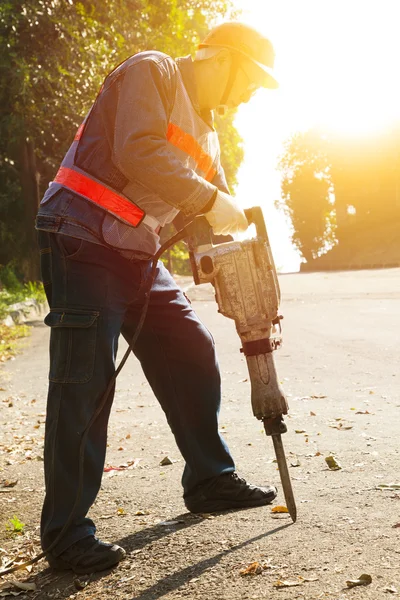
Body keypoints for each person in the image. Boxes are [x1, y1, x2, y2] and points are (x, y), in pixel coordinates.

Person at [35, 21, 280, 574]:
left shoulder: (210, 135)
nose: (249, 95)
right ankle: (66, 533)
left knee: (190, 347)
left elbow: (197, 222)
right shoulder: (155, 70)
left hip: (134, 253)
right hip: (80, 235)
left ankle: (210, 479)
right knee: (86, 380)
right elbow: (139, 149)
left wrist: (237, 282)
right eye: (250, 81)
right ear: (221, 59)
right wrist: (211, 198)